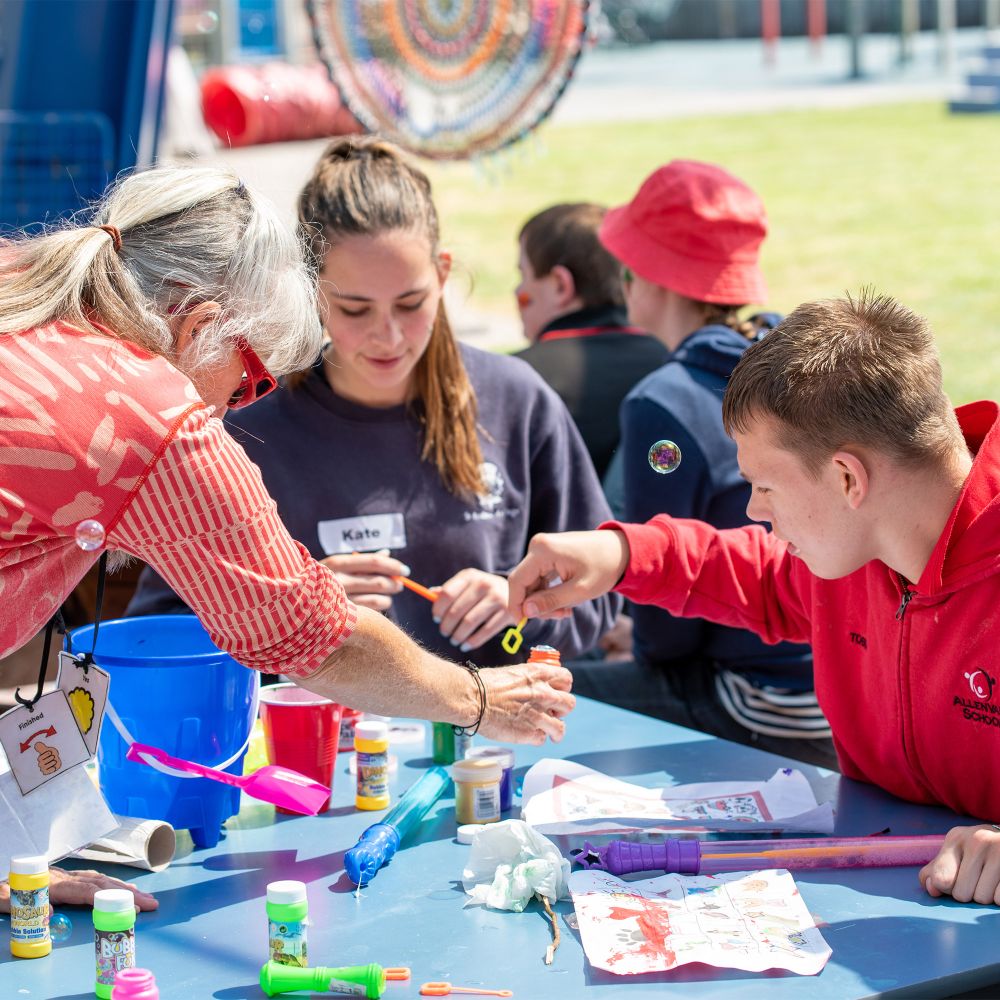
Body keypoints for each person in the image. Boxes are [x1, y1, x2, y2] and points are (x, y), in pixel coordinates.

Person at [0, 164, 574, 907]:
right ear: (198, 328)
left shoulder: (24, 279)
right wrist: (480, 697)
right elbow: (314, 638)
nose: (238, 408)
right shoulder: (157, 420)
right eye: (250, 383)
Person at [508, 290, 1000, 906]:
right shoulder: (858, 546)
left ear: (848, 478)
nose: (753, 509)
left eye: (764, 486)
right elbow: (764, 576)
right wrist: (623, 555)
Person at [128, 138, 619, 663]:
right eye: (356, 310)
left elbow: (600, 601)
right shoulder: (246, 424)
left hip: (492, 714)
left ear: (442, 275)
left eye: (410, 303)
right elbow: (157, 632)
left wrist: (521, 605)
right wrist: (291, 612)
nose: (388, 336)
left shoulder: (516, 401)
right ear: (311, 291)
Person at [567, 159, 832, 767]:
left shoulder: (662, 402)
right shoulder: (794, 363)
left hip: (757, 700)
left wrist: (634, 643)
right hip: (835, 682)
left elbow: (665, 637)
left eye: (627, 268)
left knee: (528, 691)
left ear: (651, 278)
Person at [512, 202, 668, 481]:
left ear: (561, 285)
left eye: (523, 276)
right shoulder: (670, 360)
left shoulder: (517, 378)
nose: (518, 291)